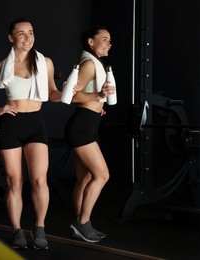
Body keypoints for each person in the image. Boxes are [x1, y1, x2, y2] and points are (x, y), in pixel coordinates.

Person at [0, 18, 64, 250]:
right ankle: (17, 231)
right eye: (21, 34)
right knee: (14, 181)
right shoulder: (3, 65)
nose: (28, 38)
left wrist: (66, 93)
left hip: (35, 123)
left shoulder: (45, 63)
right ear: (11, 38)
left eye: (31, 33)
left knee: (39, 180)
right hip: (10, 124)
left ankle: (40, 227)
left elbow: (52, 93)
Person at [64, 25, 116, 243]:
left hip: (89, 123)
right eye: (104, 39)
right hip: (82, 127)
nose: (109, 44)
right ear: (91, 42)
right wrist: (98, 95)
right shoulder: (87, 63)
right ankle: (83, 223)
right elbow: (71, 97)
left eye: (110, 40)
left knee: (84, 177)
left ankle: (80, 222)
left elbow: (88, 96)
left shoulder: (94, 62)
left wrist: (99, 103)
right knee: (102, 175)